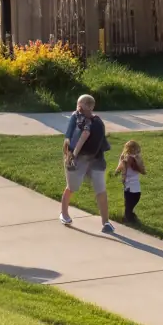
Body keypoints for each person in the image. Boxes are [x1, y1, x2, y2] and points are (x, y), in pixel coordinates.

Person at [60, 94, 115, 234]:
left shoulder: (93, 122)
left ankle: (106, 222)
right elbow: (71, 135)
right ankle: (64, 214)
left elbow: (84, 136)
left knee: (99, 189)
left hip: (89, 159)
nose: (77, 108)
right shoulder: (80, 119)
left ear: (84, 106)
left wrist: (74, 155)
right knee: (73, 187)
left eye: (79, 105)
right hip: (85, 158)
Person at [116, 138, 145, 223]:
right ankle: (128, 216)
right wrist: (119, 174)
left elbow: (143, 171)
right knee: (130, 200)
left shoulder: (137, 158)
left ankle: (129, 214)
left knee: (134, 198)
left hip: (135, 183)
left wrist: (138, 160)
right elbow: (120, 167)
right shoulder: (124, 158)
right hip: (129, 183)